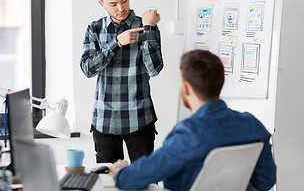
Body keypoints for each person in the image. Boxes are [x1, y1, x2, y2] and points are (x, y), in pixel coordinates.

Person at [110, 50, 276, 191]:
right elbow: (266, 180)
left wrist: (120, 170)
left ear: (186, 88)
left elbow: (133, 179)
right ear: (221, 82)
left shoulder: (188, 133)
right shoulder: (252, 125)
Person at [80, 0, 164, 163]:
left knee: (144, 182)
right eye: (113, 4)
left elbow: (154, 69)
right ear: (102, 4)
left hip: (140, 118)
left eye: (124, 0)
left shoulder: (145, 26)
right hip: (105, 121)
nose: (121, 8)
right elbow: (87, 69)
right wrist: (116, 43)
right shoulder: (94, 29)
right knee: (108, 182)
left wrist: (150, 28)